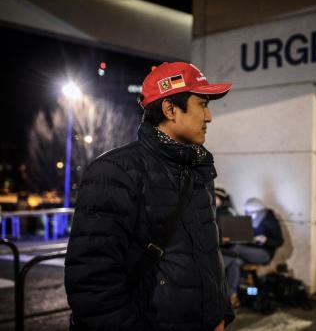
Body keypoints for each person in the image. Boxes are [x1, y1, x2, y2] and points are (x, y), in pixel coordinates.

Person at [64, 62, 233, 331]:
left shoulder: (198, 168)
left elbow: (208, 254)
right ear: (170, 109)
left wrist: (219, 315)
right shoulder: (115, 171)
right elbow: (92, 282)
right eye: (202, 104)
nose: (209, 116)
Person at [223, 197, 284, 307]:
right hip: (248, 250)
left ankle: (217, 268)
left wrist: (266, 240)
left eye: (251, 213)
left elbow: (279, 241)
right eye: (247, 212)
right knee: (234, 261)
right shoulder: (248, 220)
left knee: (235, 249)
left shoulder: (270, 220)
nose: (249, 214)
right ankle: (232, 296)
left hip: (264, 253)